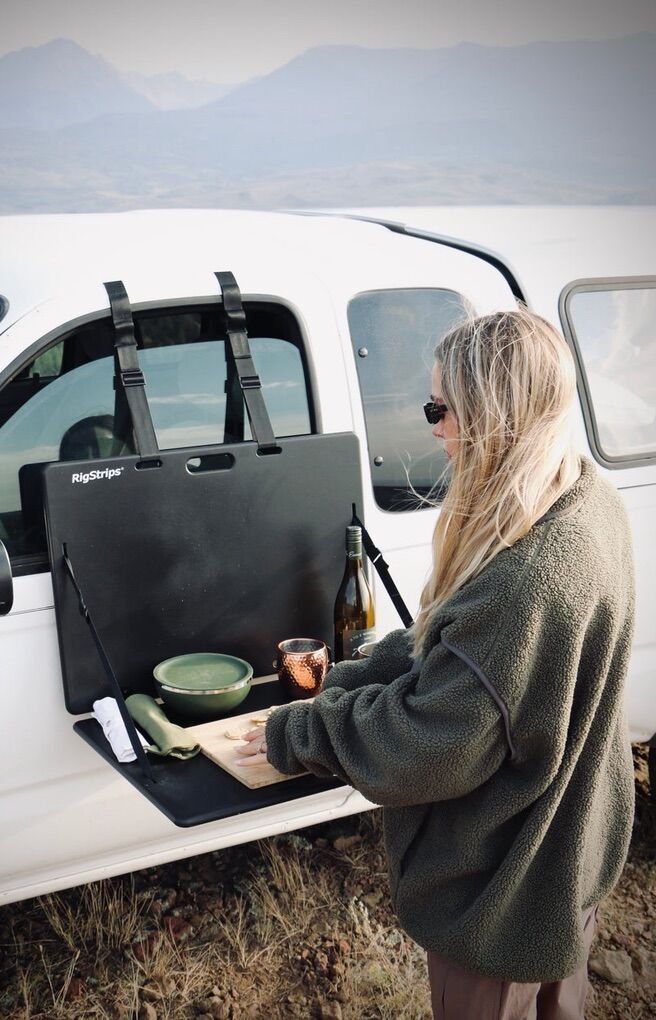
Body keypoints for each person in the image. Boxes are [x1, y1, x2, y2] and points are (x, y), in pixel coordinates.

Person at [236, 308, 636, 1020]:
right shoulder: (584, 501)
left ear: (492, 415)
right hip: (564, 865)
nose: (432, 428)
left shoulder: (527, 579)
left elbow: (429, 747)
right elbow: (457, 653)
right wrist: (343, 678)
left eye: (439, 408)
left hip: (505, 897)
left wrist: (298, 732)